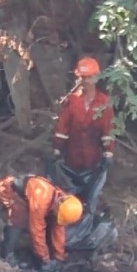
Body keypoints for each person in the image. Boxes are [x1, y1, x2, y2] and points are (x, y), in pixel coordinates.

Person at [48, 57, 114, 214]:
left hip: (93, 160)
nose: (86, 81)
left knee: (90, 197)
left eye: (89, 77)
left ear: (96, 78)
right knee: (67, 197)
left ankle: (86, 223)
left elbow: (108, 131)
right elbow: (62, 128)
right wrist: (57, 150)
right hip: (72, 158)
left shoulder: (104, 102)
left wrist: (108, 154)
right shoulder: (72, 101)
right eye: (83, 78)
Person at [0, 174, 83, 272]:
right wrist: (45, 260)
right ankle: (7, 255)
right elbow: (37, 231)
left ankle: (43, 252)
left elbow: (58, 228)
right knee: (19, 218)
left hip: (28, 197)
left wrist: (59, 257)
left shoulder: (63, 202)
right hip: (8, 189)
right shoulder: (41, 201)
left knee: (51, 220)